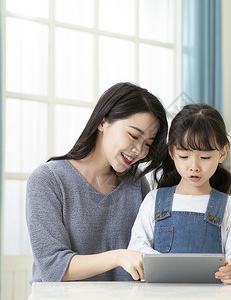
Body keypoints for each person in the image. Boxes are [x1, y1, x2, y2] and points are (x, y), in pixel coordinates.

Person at [26, 82, 168, 283]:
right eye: (133, 135)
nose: (139, 150)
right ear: (103, 122)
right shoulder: (48, 180)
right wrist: (118, 256)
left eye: (147, 144)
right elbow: (53, 266)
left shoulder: (136, 185)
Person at [128, 103, 231, 284]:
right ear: (172, 152)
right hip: (162, 295)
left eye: (205, 157)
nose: (194, 166)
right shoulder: (154, 200)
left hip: (212, 296)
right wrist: (164, 265)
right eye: (184, 156)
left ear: (223, 153)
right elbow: (137, 246)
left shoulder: (229, 206)